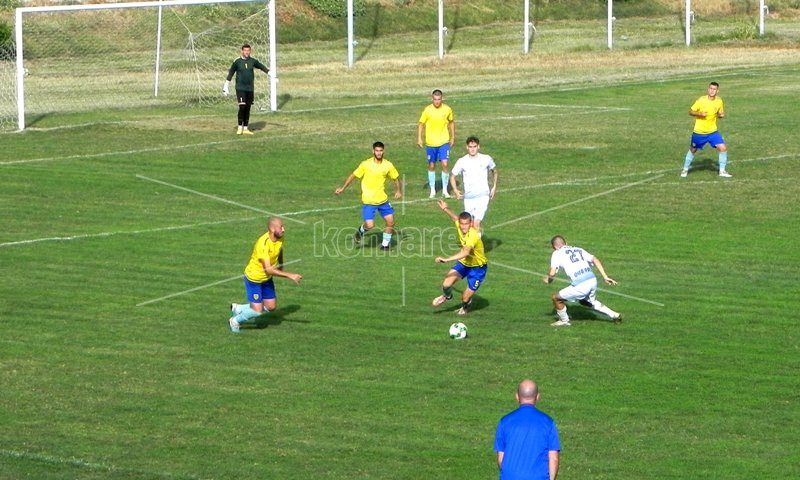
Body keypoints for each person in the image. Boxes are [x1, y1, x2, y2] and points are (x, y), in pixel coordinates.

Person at [229, 218, 302, 333]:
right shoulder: (263, 244)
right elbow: (268, 270)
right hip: (254, 279)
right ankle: (235, 321)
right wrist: (290, 275)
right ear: (272, 229)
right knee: (257, 311)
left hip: (266, 279)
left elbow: (279, 249)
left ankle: (239, 308)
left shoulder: (279, 238)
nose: (283, 229)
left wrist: (281, 264)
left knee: (271, 307)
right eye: (280, 227)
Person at [335, 141, 402, 251]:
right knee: (370, 225)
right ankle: (360, 231)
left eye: (381, 151)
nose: (379, 153)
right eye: (377, 150)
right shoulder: (365, 164)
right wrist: (343, 188)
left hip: (382, 200)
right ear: (373, 151)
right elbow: (353, 175)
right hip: (369, 201)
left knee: (391, 222)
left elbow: (395, 178)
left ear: (383, 151)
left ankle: (385, 246)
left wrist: (398, 190)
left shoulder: (388, 165)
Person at [543, 235, 621, 327]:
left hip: (581, 284)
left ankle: (564, 320)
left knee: (556, 298)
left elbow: (552, 273)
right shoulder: (578, 249)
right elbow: (594, 259)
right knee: (588, 301)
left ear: (555, 247)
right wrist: (605, 276)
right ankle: (614, 315)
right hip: (592, 280)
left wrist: (548, 279)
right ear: (566, 243)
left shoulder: (557, 253)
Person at [494, 379, 561, 480]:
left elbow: (500, 459)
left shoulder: (505, 422)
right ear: (537, 397)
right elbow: (554, 458)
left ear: (517, 396)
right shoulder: (548, 423)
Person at [432, 200, 487, 315]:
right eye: (462, 224)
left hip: (478, 268)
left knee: (465, 298)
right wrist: (445, 209)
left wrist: (446, 259)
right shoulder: (460, 226)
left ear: (471, 223)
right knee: (446, 284)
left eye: (466, 224)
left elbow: (465, 252)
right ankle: (447, 296)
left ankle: (466, 307)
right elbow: (455, 219)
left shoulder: (473, 236)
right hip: (465, 264)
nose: (463, 227)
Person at [681, 81, 731, 178]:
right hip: (699, 132)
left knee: (723, 148)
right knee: (693, 150)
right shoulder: (701, 100)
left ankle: (722, 171)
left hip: (713, 132)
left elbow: (719, 113)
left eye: (714, 89)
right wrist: (700, 114)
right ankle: (685, 169)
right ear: (708, 89)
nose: (712, 91)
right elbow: (690, 112)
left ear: (717, 91)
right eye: (711, 89)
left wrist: (721, 115)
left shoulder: (719, 101)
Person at [449, 136, 498, 231]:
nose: (472, 149)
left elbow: (494, 171)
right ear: (467, 147)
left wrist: (494, 186)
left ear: (478, 147)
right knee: (469, 225)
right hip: (469, 198)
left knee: (476, 223)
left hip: (482, 196)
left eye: (474, 146)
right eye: (470, 147)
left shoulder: (486, 159)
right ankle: (476, 243)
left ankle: (477, 246)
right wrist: (455, 191)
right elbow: (452, 176)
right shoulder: (462, 161)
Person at [223, 44, 269, 135]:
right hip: (240, 88)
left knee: (248, 108)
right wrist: (226, 86)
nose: (247, 52)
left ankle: (245, 128)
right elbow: (231, 73)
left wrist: (271, 74)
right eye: (245, 50)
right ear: (242, 51)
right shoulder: (237, 61)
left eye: (248, 51)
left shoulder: (253, 61)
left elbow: (262, 67)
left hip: (250, 88)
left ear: (250, 51)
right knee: (242, 106)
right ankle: (240, 127)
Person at [417, 89, 455, 198]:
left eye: (439, 99)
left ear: (442, 98)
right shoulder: (427, 110)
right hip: (431, 143)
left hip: (443, 142)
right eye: (435, 99)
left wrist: (452, 137)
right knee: (432, 165)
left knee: (445, 164)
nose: (437, 102)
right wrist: (419, 138)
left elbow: (451, 123)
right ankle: (433, 190)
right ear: (432, 99)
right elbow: (421, 124)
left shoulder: (447, 109)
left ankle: (445, 190)